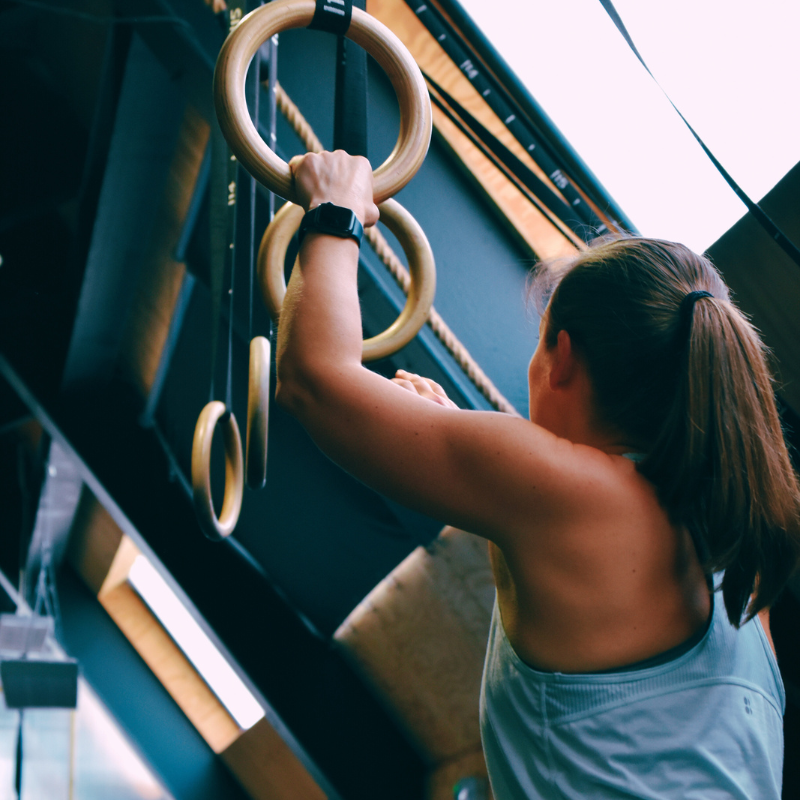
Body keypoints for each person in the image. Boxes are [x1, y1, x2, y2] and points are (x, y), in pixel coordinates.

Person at [275, 150, 800, 799]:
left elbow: (313, 380)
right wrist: (455, 437)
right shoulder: (734, 544)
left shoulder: (577, 503)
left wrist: (334, 208)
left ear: (563, 358)